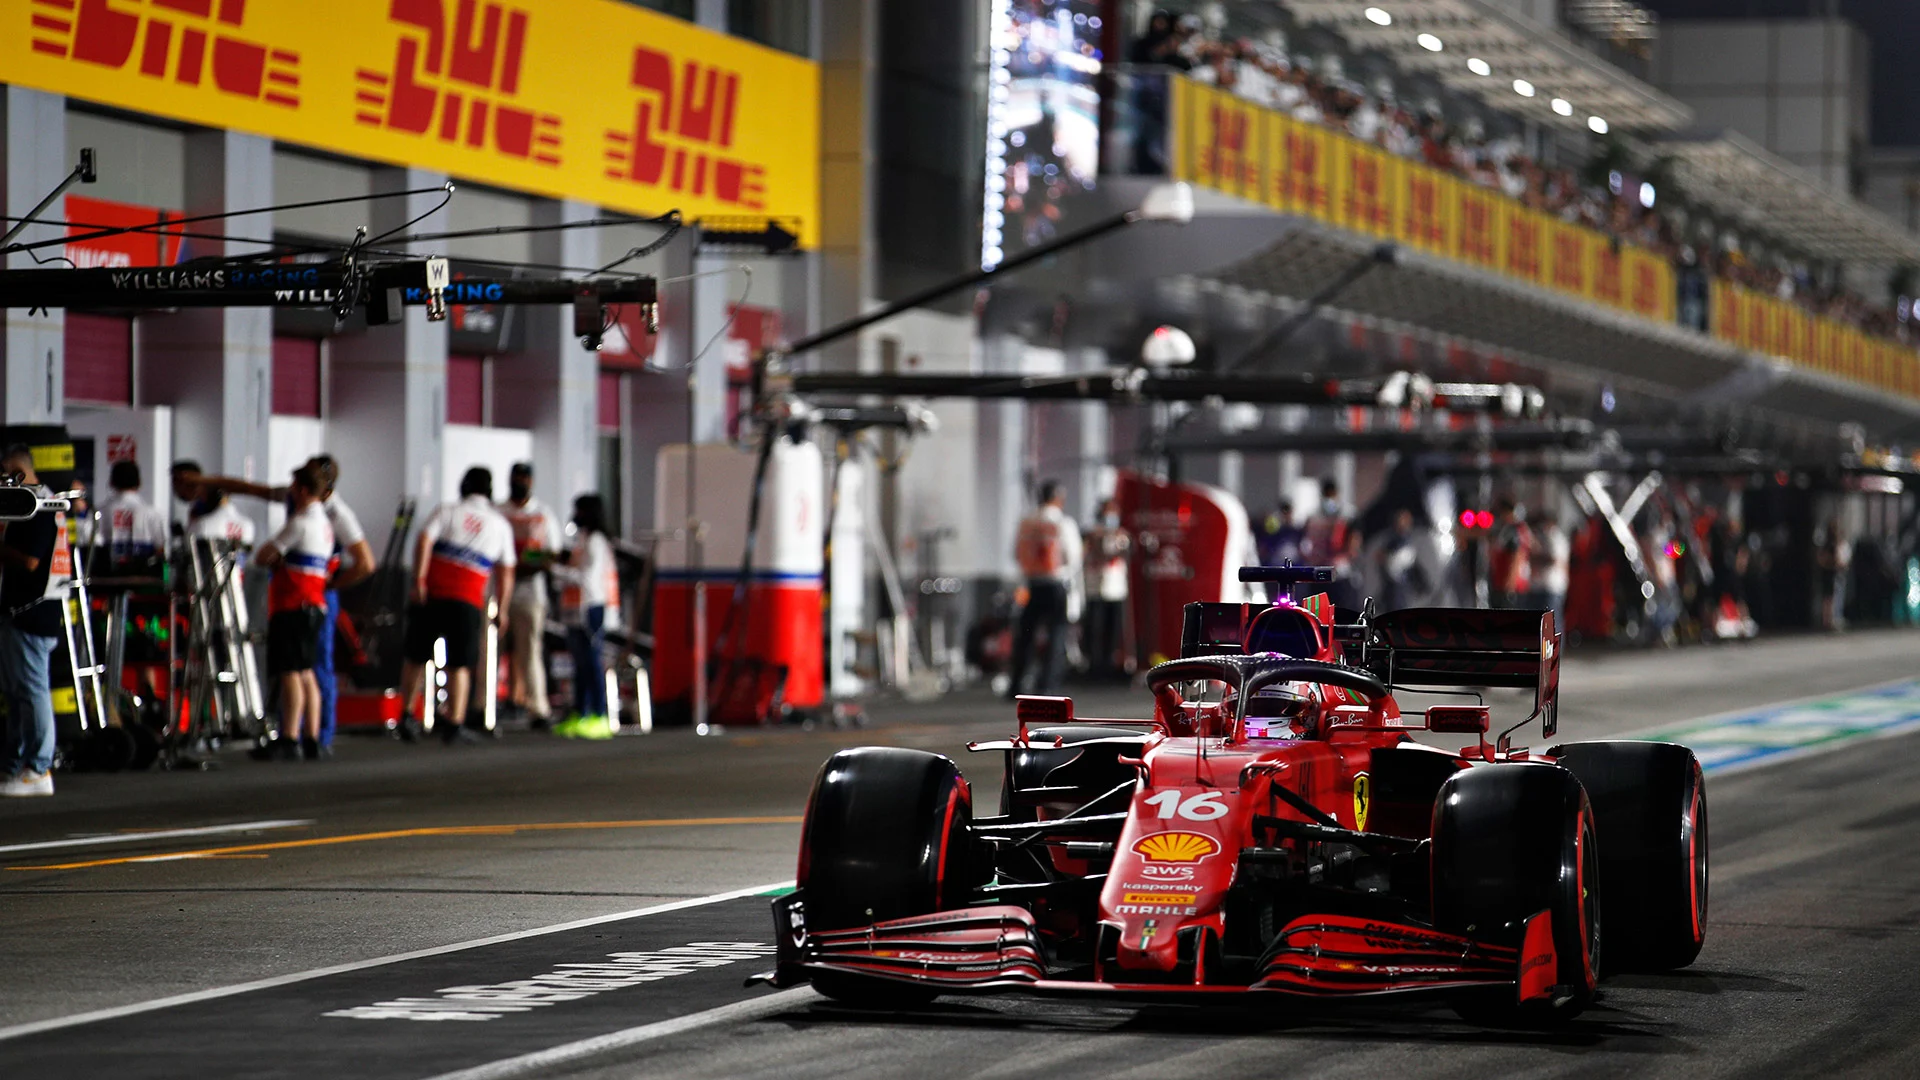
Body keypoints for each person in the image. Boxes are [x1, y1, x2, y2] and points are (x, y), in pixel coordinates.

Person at [400, 468, 515, 743]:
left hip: (433, 595)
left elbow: (424, 539)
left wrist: (419, 580)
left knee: (416, 656)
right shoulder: (499, 524)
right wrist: (503, 608)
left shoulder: (447, 511)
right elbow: (506, 571)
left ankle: (406, 715)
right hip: (468, 600)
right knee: (460, 664)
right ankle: (455, 722)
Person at [0, 446, 71, 797]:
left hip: (31, 611)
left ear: (16, 471)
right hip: (25, 610)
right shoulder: (33, 503)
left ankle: (38, 767)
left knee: (32, 690)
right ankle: (17, 765)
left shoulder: (38, 506)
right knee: (18, 693)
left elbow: (30, 561)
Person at [251, 464, 333, 761]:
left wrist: (274, 561)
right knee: (307, 672)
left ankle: (289, 737)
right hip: (315, 606)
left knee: (290, 674)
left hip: (293, 606)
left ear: (301, 489)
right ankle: (311, 737)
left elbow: (263, 555)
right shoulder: (324, 523)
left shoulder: (299, 522)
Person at [550, 494, 620, 739]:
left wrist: (557, 570)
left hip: (592, 608)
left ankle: (599, 716)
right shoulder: (583, 540)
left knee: (592, 662)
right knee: (579, 665)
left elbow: (588, 578)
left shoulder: (596, 542)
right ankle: (580, 713)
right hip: (576, 609)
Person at [498, 463, 561, 729]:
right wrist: (513, 563)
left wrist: (523, 561)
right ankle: (481, 707)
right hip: (499, 590)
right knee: (489, 651)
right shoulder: (498, 512)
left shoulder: (542, 513)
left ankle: (538, 708)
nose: (519, 483)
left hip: (530, 592)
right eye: (516, 478)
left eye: (524, 479)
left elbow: (553, 552)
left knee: (530, 652)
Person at [1008, 479, 1082, 697]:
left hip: (1031, 585)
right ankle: (1047, 685)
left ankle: (1017, 683)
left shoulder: (1026, 523)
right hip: (1055, 585)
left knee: (1026, 636)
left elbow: (1016, 554)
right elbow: (1072, 557)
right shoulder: (1062, 524)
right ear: (1058, 498)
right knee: (1056, 634)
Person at [1081, 497, 1130, 678]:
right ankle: (1094, 664)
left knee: (1113, 627)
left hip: (1115, 588)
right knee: (1095, 627)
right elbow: (1095, 552)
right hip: (1095, 588)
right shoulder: (1092, 534)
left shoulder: (1121, 534)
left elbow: (1124, 553)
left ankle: (1110, 663)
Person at [98, 459, 168, 571]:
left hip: (108, 577)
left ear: (111, 482)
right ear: (139, 482)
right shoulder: (153, 514)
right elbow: (161, 549)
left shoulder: (100, 512)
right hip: (145, 577)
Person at [1488, 496, 1536, 609]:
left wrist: (1509, 584)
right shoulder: (1522, 529)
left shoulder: (1512, 531)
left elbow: (1516, 556)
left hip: (1509, 584)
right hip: (1519, 584)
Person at [1255, 501, 1305, 567]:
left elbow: (1302, 549)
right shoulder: (1275, 532)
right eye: (1284, 514)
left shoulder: (1297, 532)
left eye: (1288, 513)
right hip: (1277, 565)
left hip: (1294, 565)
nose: (1287, 516)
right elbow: (1266, 549)